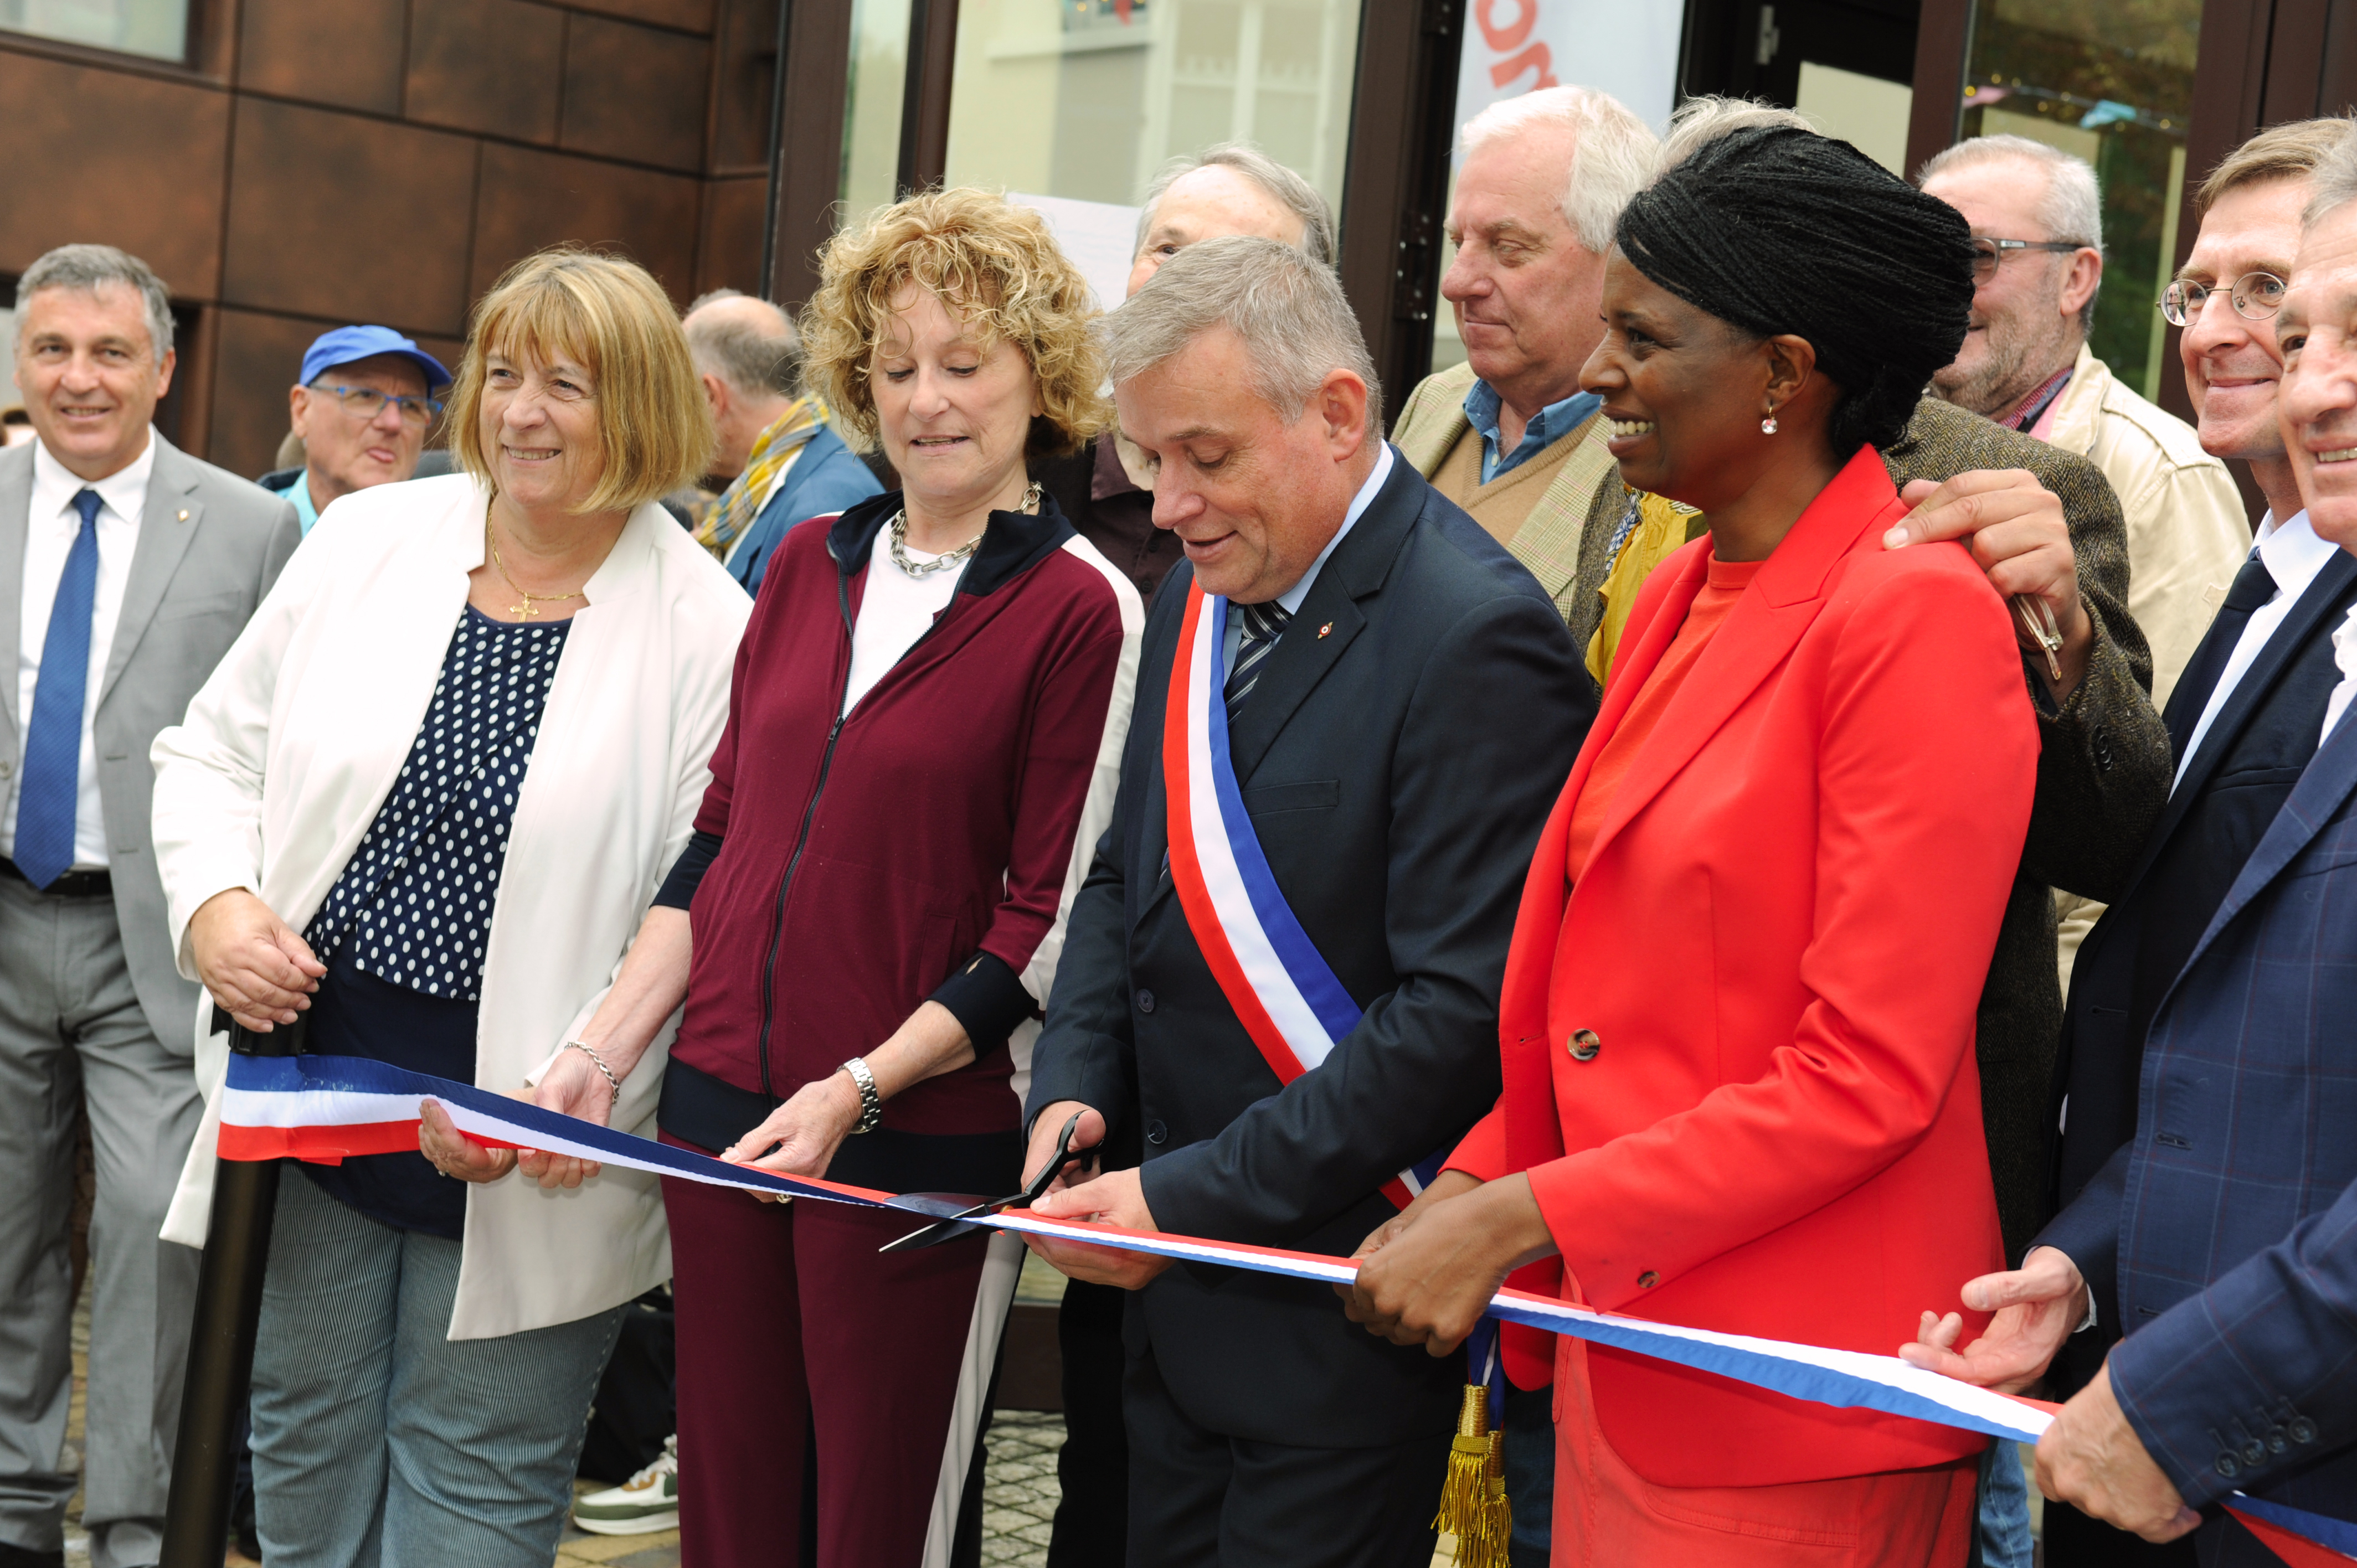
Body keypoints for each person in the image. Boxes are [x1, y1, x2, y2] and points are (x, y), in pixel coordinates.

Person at [1344, 123, 2036, 1565]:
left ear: (1786, 373)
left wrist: (1524, 1216)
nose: (1600, 374)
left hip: (1788, 1403)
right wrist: (1483, 1175)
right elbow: (1620, 1000)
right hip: (1633, 1336)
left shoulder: (1915, 614)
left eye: (1645, 340)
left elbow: (1867, 1078)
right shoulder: (1679, 587)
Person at [150, 247, 750, 1566]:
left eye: (568, 385)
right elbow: (210, 754)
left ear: (643, 403)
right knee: (299, 1435)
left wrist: (592, 1064)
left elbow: (702, 879)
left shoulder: (711, 625)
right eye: (503, 375)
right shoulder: (370, 538)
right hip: (312, 1084)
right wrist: (218, 908)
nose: (521, 412)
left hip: (538, 1113)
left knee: (477, 1475)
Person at [587, 188, 1142, 1568]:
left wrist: (856, 1090)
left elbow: (1046, 924)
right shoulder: (801, 566)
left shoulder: (1083, 607)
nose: (927, 401)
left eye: (965, 364)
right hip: (721, 1111)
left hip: (912, 1147)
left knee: (874, 1530)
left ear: (1041, 377)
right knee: (729, 1514)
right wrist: (606, 1046)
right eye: (896, 368)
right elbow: (719, 837)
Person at [1017, 235, 1590, 1568]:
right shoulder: (1197, 595)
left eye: (1205, 456)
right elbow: (1125, 873)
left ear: (1338, 414)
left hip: (1334, 1325)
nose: (1165, 505)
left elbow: (1460, 1011)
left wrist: (1189, 1194)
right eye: (1151, 459)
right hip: (1175, 1315)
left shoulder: (1474, 634)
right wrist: (1075, 1084)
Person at [1906, 121, 2357, 1564]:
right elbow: (2206, 992)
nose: (2237, 337)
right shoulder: (2284, 584)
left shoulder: (2183, 502)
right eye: (2209, 294)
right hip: (2152, 1372)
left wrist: (2184, 1394)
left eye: (2285, 303)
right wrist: (2082, 1269)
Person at [0, 243, 300, 1568]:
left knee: (145, 1234)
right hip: (5, 923)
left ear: (165, 367)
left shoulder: (248, 526)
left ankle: (130, 1522)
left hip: (155, 946)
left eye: (111, 351)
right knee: (6, 1231)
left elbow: (286, 740)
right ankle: (13, 1501)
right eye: (53, 348)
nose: (80, 377)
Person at [1916, 135, 2254, 988]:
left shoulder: (2161, 474)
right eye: (1928, 255)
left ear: (2078, 279)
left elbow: (2162, 793)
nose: (1950, 284)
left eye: (1983, 256)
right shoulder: (1879, 439)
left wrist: (2057, 1062)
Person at [1388, 87, 1657, 623]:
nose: (1455, 283)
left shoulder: (1666, 460)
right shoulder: (1436, 402)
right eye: (1456, 242)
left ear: (1618, 257)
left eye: (1506, 248)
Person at [1037, 143, 1339, 607]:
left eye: (1226, 265)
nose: (1177, 284)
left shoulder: (1319, 518)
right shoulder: (1027, 462)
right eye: (1168, 250)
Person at [678, 287, 882, 595]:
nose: (671, 413)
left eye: (677, 393)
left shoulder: (820, 512)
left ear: (710, 396)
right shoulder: (774, 482)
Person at [256, 324, 452, 533]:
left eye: (411, 405)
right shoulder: (241, 531)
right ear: (302, 411)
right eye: (365, 396)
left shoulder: (448, 548)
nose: (393, 423)